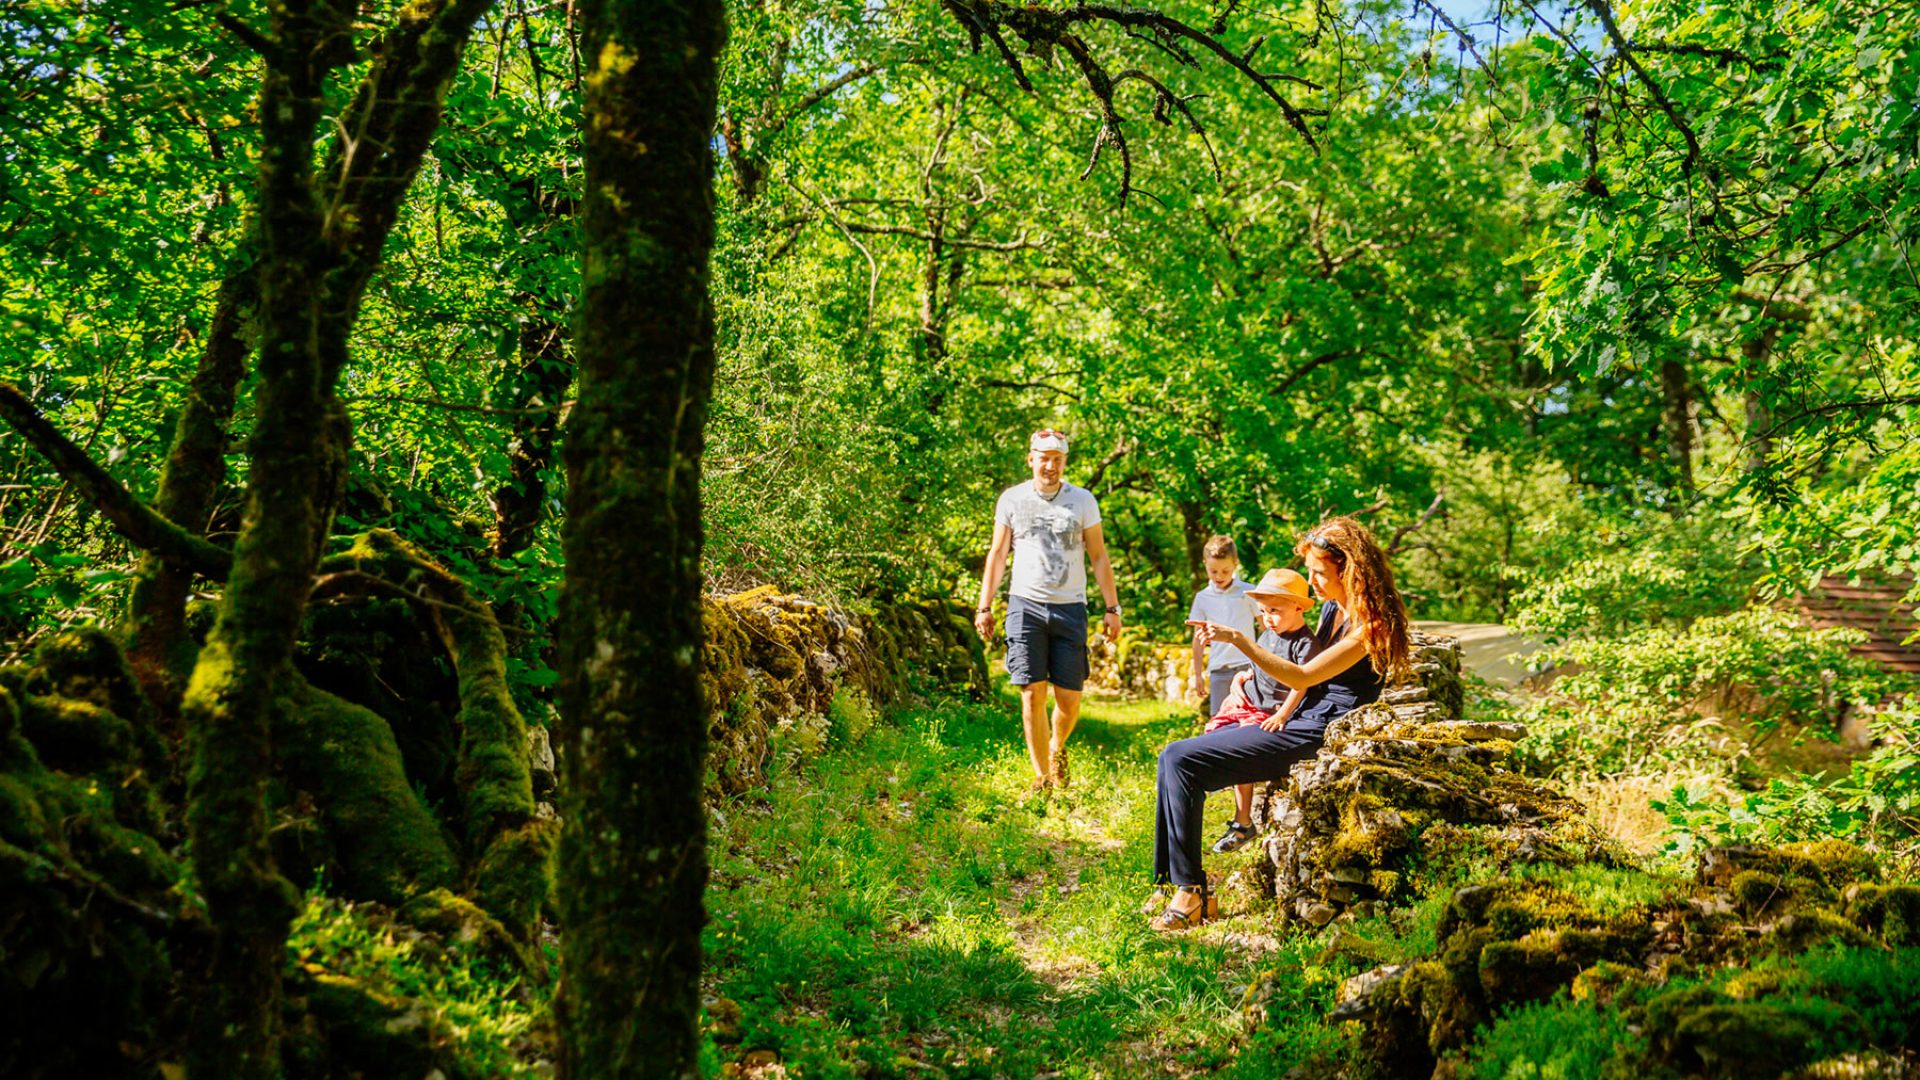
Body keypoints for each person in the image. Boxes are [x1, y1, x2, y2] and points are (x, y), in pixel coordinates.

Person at [1145, 516, 1410, 931]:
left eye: (1320, 573)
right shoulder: (1333, 612)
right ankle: (1175, 884)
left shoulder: (1371, 627)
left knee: (1181, 759)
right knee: (1171, 757)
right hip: (1302, 718)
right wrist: (1249, 684)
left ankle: (1190, 893)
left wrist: (1241, 642)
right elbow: (1299, 671)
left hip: (1319, 733)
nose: (1313, 582)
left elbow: (1303, 676)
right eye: (1310, 572)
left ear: (1349, 570)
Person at [975, 429, 1122, 792]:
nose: (1050, 465)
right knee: (1031, 691)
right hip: (1024, 605)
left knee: (1069, 700)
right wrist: (985, 605)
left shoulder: (1083, 500)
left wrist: (1112, 607)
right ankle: (1042, 779)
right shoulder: (1012, 499)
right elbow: (996, 554)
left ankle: (1056, 747)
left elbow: (1099, 555)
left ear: (1064, 462)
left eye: (1057, 459)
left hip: (1071, 607)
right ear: (1031, 459)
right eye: (1044, 457)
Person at [1198, 568, 1316, 854]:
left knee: (1241, 750)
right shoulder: (1267, 635)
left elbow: (1301, 685)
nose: (1267, 618)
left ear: (1298, 607)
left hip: (1269, 708)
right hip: (1247, 697)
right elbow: (1258, 664)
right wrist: (1241, 677)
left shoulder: (1304, 643)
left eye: (1274, 610)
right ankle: (1215, 777)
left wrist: (1282, 715)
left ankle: (1242, 819)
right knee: (1212, 732)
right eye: (1263, 611)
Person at [1188, 536, 1257, 718]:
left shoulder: (1249, 592)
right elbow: (1198, 639)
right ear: (1205, 565)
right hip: (1219, 669)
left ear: (1236, 564)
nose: (1219, 576)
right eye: (1213, 571)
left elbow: (1266, 628)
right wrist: (1197, 675)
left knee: (1248, 716)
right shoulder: (1202, 598)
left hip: (1247, 666)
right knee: (1218, 718)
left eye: (1225, 571)